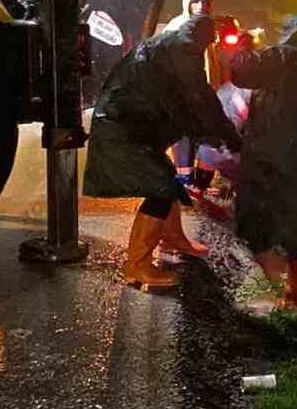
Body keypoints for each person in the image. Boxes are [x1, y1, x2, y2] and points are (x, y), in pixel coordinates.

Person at [83, 15, 242, 290]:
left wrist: (216, 133)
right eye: (212, 43)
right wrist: (230, 136)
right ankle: (137, 266)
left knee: (166, 180)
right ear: (205, 38)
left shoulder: (172, 44)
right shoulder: (183, 49)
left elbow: (183, 102)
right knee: (161, 187)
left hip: (128, 122)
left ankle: (173, 238)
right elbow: (198, 96)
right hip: (122, 126)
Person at [225, 11, 297, 312]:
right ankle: (295, 297)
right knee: (296, 235)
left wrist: (242, 47)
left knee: (250, 223)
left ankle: (275, 286)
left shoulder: (282, 58)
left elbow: (241, 72)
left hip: (267, 164)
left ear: (290, 33)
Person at [166, 0, 227, 194]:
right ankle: (184, 179)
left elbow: (213, 63)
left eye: (205, 2)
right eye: (196, 1)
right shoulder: (177, 26)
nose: (201, 5)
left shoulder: (208, 28)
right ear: (188, 3)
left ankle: (201, 183)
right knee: (185, 136)